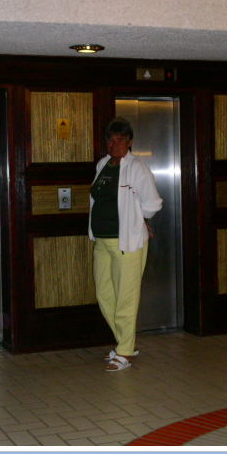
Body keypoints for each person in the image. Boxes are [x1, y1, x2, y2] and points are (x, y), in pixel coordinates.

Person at [89, 117, 162, 372]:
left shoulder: (137, 168)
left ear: (129, 142)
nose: (114, 144)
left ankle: (125, 351)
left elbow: (152, 203)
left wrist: (140, 220)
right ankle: (125, 342)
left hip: (127, 242)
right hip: (102, 240)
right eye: (110, 140)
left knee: (126, 298)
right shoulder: (103, 165)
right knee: (105, 295)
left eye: (120, 140)